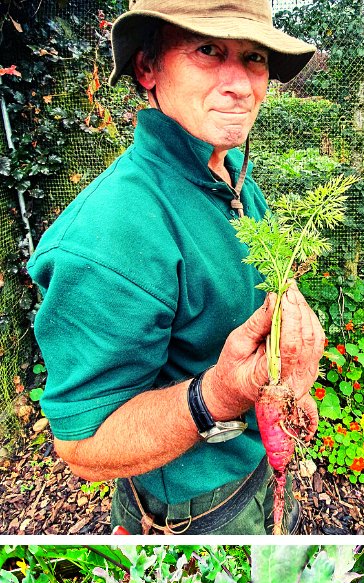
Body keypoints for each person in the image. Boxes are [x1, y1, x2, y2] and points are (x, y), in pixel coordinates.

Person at [27, 0, 324, 534]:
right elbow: (82, 447)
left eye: (255, 57)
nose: (240, 84)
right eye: (208, 50)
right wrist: (219, 395)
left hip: (258, 465)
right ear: (147, 68)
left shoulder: (228, 171)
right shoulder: (110, 236)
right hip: (197, 512)